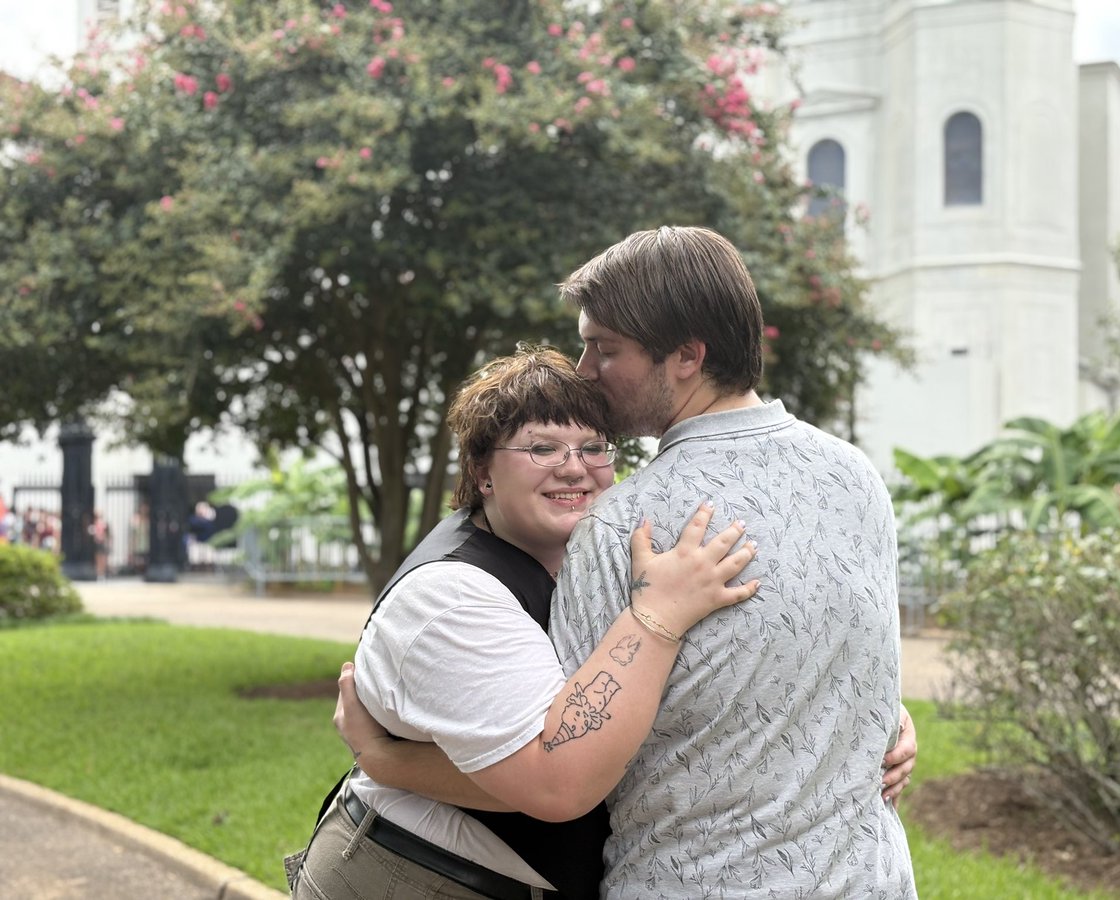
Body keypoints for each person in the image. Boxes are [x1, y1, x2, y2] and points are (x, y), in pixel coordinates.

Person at [339, 227, 919, 898]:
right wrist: (877, 721)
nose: (585, 368)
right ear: (482, 471)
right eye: (541, 449)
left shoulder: (624, 524)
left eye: (605, 348)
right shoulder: (855, 475)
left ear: (687, 356)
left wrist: (386, 760)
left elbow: (565, 767)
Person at [288, 346, 760, 900]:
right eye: (542, 448)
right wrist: (658, 616)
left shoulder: (593, 561)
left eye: (592, 447)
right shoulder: (451, 597)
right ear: (482, 472)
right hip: (413, 877)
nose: (574, 467)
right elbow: (554, 782)